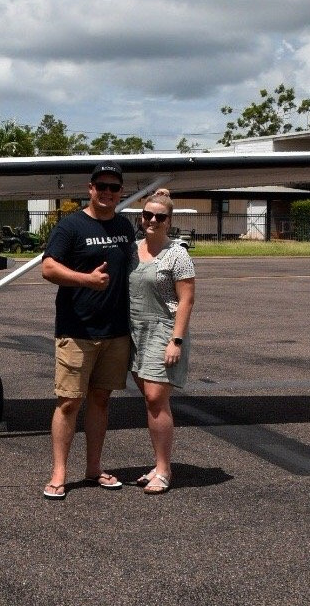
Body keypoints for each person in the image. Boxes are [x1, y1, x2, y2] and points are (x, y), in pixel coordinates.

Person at [39, 162, 136, 499]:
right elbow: (48, 268)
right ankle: (59, 473)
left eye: (114, 187)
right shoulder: (71, 226)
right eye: (101, 186)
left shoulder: (124, 227)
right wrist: (86, 280)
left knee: (101, 400)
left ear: (121, 192)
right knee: (69, 402)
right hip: (77, 330)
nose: (107, 192)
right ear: (90, 189)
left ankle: (94, 469)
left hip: (116, 331)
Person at [129, 188, 196, 495]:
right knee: (150, 400)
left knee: (157, 398)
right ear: (141, 218)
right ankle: (157, 465)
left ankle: (165, 469)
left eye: (160, 217)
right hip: (135, 330)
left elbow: (186, 300)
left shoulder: (178, 254)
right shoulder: (132, 250)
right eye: (148, 215)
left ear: (169, 221)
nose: (153, 221)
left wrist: (176, 340)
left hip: (164, 328)